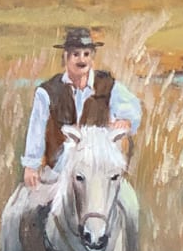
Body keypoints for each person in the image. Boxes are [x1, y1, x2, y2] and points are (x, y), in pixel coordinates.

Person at [20, 26, 143, 187]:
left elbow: (133, 111)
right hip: (60, 168)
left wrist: (126, 121)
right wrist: (31, 165)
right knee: (30, 206)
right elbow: (36, 129)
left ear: (92, 57)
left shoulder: (108, 85)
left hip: (100, 167)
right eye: (75, 54)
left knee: (127, 204)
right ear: (65, 57)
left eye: (86, 54)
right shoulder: (47, 92)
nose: (82, 60)